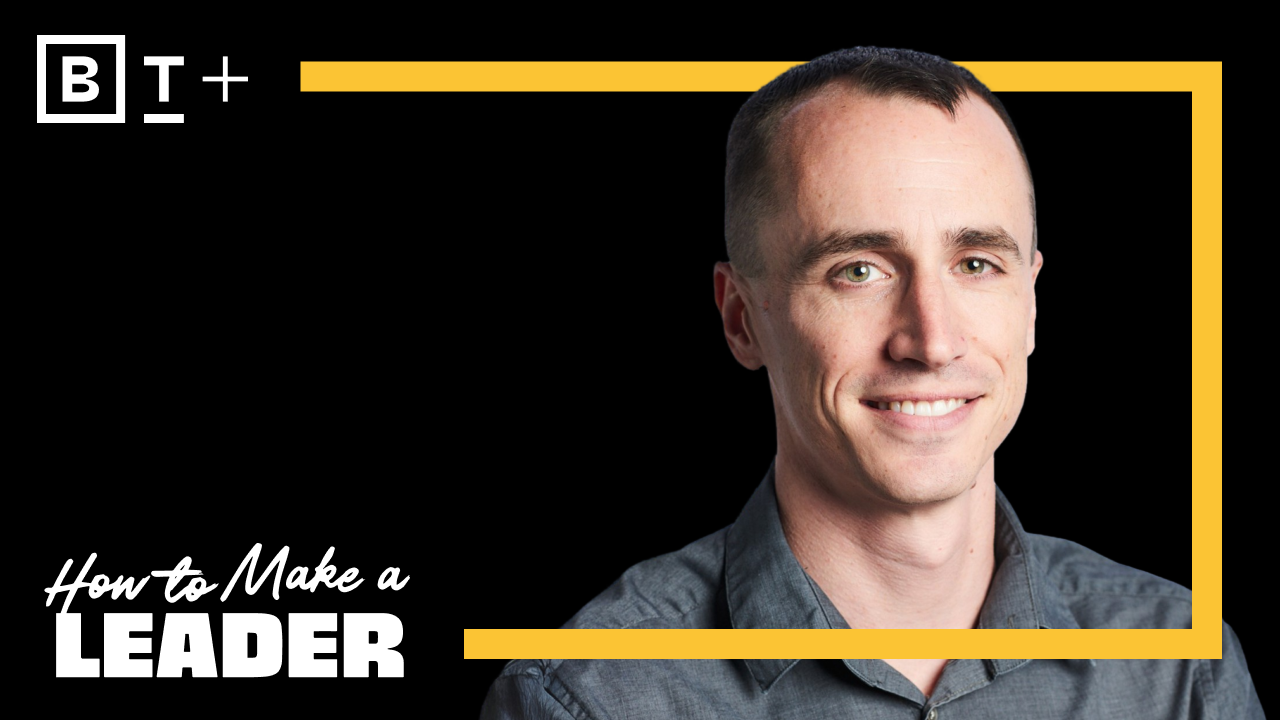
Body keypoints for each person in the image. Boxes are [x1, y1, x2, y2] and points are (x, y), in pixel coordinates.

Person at [480, 47, 1260, 719]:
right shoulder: (593, 699)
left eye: (976, 264)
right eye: (859, 269)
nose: (932, 339)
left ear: (1030, 303)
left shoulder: (1177, 670)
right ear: (742, 319)